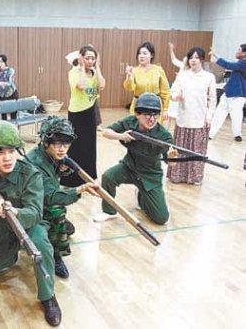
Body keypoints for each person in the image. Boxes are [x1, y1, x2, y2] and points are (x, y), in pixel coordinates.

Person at [0, 121, 62, 326]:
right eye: (0, 152)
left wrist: (14, 211)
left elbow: (35, 212)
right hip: (2, 231)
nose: (7, 158)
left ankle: (48, 297)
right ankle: (9, 256)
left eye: (11, 151)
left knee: (40, 247)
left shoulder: (31, 174)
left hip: (30, 226)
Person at [26, 116, 99, 279]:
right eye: (57, 143)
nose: (62, 149)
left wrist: (63, 170)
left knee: (65, 226)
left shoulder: (51, 156)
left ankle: (56, 230)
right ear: (46, 142)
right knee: (57, 210)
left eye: (66, 144)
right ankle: (56, 255)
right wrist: (80, 189)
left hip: (42, 200)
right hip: (30, 207)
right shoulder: (35, 163)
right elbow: (51, 197)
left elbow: (53, 178)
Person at [94, 93, 177, 225]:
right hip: (129, 167)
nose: (152, 119)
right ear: (137, 114)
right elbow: (106, 132)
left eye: (155, 114)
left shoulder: (164, 135)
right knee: (108, 177)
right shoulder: (130, 122)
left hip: (150, 176)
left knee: (161, 218)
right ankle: (108, 211)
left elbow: (171, 164)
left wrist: (173, 156)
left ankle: (142, 197)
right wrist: (122, 136)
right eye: (147, 114)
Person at [167, 47, 217, 185]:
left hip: (200, 119)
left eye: (196, 57)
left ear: (201, 59)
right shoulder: (183, 75)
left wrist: (209, 117)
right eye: (191, 57)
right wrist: (176, 96)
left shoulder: (209, 77)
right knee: (180, 148)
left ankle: (195, 177)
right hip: (183, 118)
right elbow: (173, 93)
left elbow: (212, 100)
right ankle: (177, 176)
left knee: (196, 150)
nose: (193, 60)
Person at [61, 45, 105, 188]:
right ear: (80, 57)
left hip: (90, 112)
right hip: (76, 113)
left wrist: (97, 67)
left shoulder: (93, 71)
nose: (90, 61)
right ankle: (72, 179)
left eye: (93, 58)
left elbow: (101, 85)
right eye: (87, 58)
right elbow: (80, 85)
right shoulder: (73, 72)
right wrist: (81, 67)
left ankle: (90, 176)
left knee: (90, 145)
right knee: (76, 146)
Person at [124, 41, 171, 126]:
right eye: (140, 53)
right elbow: (129, 88)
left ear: (151, 55)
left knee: (153, 131)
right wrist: (128, 76)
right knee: (138, 130)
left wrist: (165, 109)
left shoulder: (158, 70)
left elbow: (166, 91)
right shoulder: (134, 71)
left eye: (145, 53)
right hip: (138, 105)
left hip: (155, 106)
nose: (141, 56)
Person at [208, 44, 246, 142]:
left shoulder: (243, 63)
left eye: (239, 50)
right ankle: (211, 134)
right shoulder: (240, 64)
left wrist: (216, 55)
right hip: (229, 93)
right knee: (219, 114)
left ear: (244, 53)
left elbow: (229, 65)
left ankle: (237, 134)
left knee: (236, 115)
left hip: (238, 95)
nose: (236, 51)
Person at [0, 54, 18, 120]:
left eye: (1, 62)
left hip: (11, 94)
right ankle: (4, 129)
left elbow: (9, 83)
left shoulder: (10, 70)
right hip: (1, 95)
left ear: (5, 62)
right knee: (3, 115)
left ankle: (14, 128)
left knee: (13, 115)